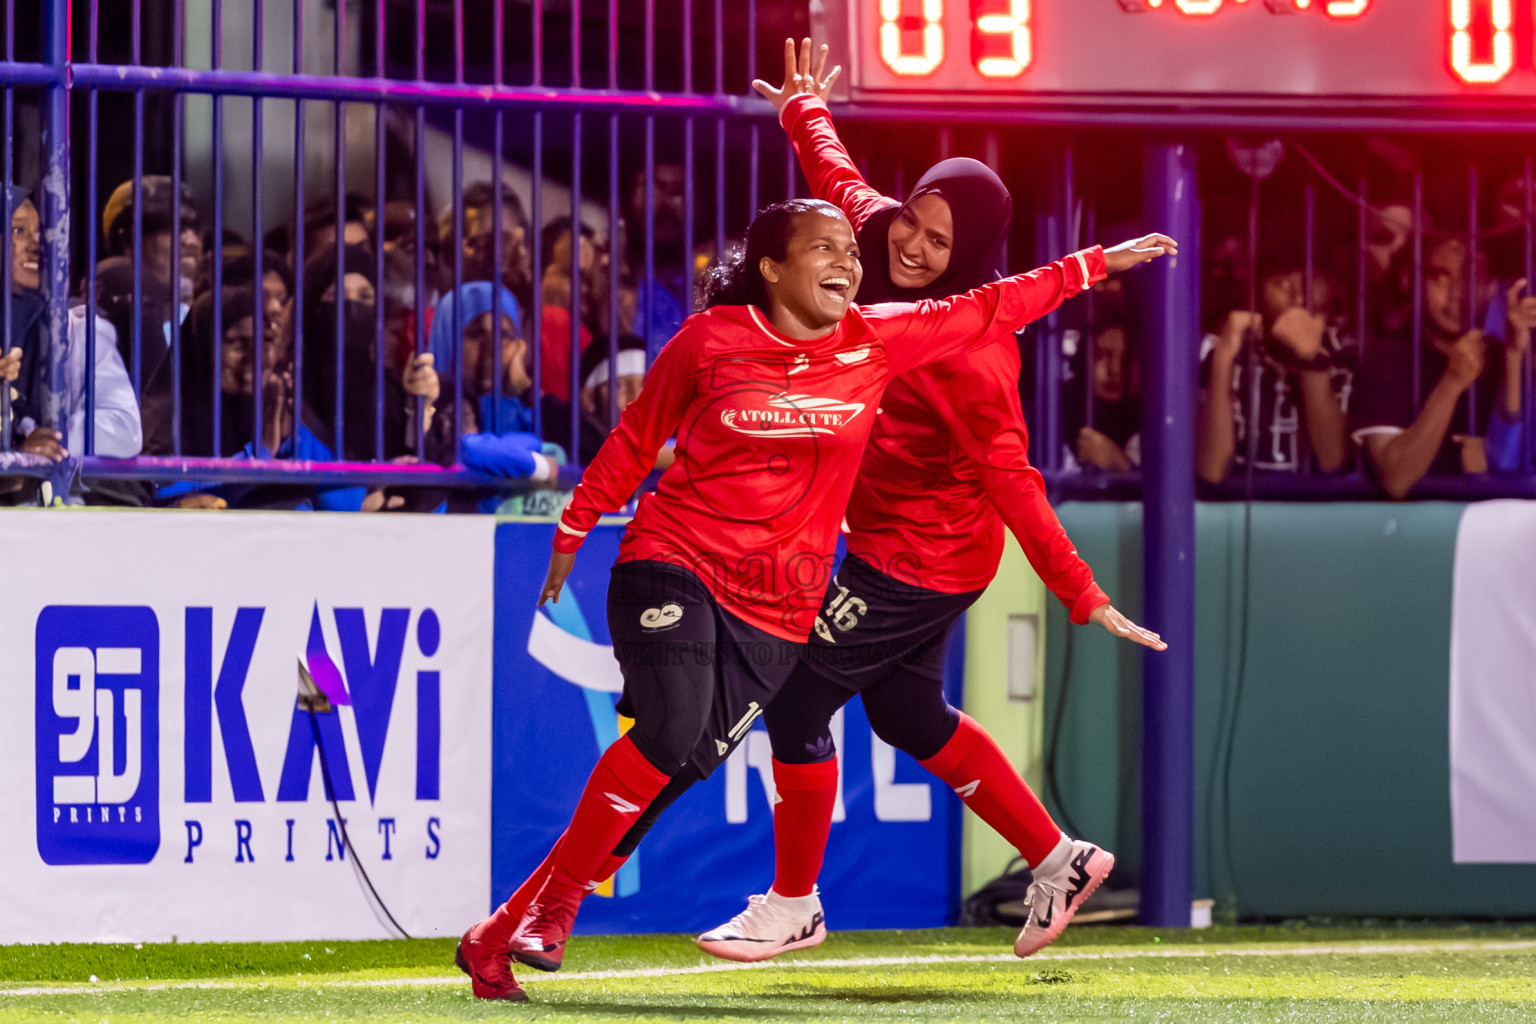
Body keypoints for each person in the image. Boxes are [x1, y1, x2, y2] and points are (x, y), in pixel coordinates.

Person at [454, 189, 1172, 1001]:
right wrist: (572, 529)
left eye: (852, 252)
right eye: (833, 248)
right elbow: (633, 436)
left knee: (710, 749)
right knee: (682, 731)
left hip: (816, 589)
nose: (855, 258)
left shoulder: (887, 340)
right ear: (771, 267)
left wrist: (1093, 266)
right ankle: (595, 909)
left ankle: (500, 932)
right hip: (681, 558)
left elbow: (994, 315)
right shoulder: (716, 338)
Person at [683, 39, 1166, 965]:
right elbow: (843, 175)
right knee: (907, 717)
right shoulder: (870, 240)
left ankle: (794, 903)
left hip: (926, 559)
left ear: (971, 254)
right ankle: (1058, 857)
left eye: (940, 241)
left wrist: (1081, 593)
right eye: (914, 222)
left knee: (790, 697)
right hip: (890, 545)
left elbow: (1016, 481)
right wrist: (802, 111)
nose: (912, 244)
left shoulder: (975, 352)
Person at [1351, 237, 1518, 497]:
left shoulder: (1501, 353)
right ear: (1410, 281)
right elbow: (1395, 478)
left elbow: (1518, 456)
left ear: (1490, 287)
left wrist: (1516, 356)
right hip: (1410, 531)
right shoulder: (1387, 354)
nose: (1456, 292)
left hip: (1489, 528)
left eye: (1470, 277)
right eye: (1440, 278)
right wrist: (1451, 383)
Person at [1197, 255, 1352, 483]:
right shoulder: (1228, 348)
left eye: (1309, 281)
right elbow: (1212, 470)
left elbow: (1331, 462)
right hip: (1238, 512)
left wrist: (1310, 358)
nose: (1297, 296)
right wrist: (1224, 356)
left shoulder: (1344, 351)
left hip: (1322, 512)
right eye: (1281, 282)